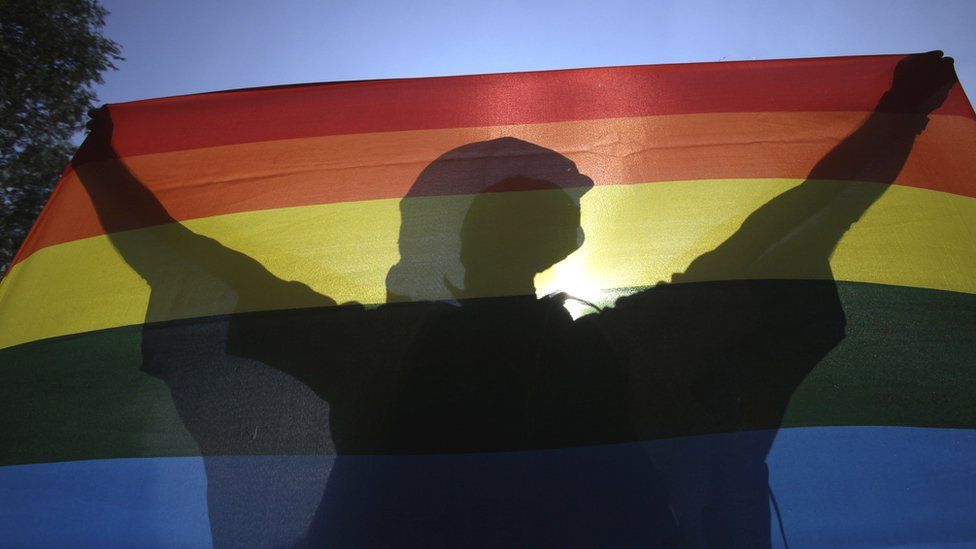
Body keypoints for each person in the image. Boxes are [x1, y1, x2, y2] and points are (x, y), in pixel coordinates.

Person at [75, 52, 956, 547]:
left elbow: (793, 228)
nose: (514, 217)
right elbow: (195, 260)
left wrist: (895, 122)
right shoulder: (623, 343)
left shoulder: (384, 350)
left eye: (529, 204)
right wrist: (108, 174)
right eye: (501, 206)